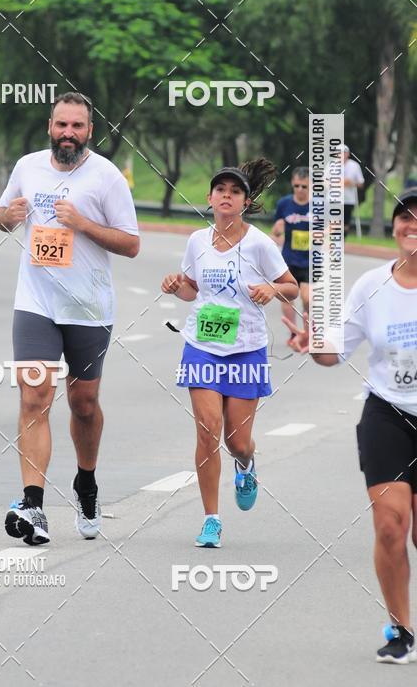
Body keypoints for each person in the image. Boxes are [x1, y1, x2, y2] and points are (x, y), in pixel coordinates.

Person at [0, 92, 139, 545]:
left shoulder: (107, 177)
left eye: (77, 127)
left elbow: (131, 244)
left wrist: (83, 224)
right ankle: (33, 505)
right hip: (36, 303)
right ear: (49, 126)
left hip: (89, 309)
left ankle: (86, 483)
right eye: (61, 125)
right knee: (35, 397)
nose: (68, 134)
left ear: (90, 132)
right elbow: (2, 215)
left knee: (84, 405)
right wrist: (6, 217)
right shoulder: (28, 166)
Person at [285, 187, 417, 664]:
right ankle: (401, 630)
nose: (411, 225)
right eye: (404, 217)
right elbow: (335, 351)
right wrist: (312, 338)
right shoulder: (371, 286)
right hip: (387, 412)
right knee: (390, 525)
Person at [161, 161, 299, 548]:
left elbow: (291, 287)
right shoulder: (196, 241)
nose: (226, 195)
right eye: (219, 189)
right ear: (209, 199)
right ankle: (211, 520)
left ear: (245, 201)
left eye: (234, 191)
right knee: (208, 433)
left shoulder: (259, 244)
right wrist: (176, 286)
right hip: (203, 345)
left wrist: (273, 291)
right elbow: (191, 288)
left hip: (246, 349)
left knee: (237, 441)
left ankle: (246, 463)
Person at [271, 167, 311, 345]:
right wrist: (278, 229)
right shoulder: (284, 204)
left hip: (311, 260)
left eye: (304, 186)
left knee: (308, 298)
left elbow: (333, 228)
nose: (300, 190)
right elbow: (276, 231)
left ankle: (308, 332)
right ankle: (294, 333)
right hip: (288, 258)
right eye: (297, 186)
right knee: (287, 296)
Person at [343, 145, 364, 236]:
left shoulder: (354, 166)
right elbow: (324, 181)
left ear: (347, 154)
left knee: (345, 223)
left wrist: (351, 183)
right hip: (333, 199)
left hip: (348, 199)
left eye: (344, 153)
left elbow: (361, 183)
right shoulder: (330, 165)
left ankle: (342, 241)